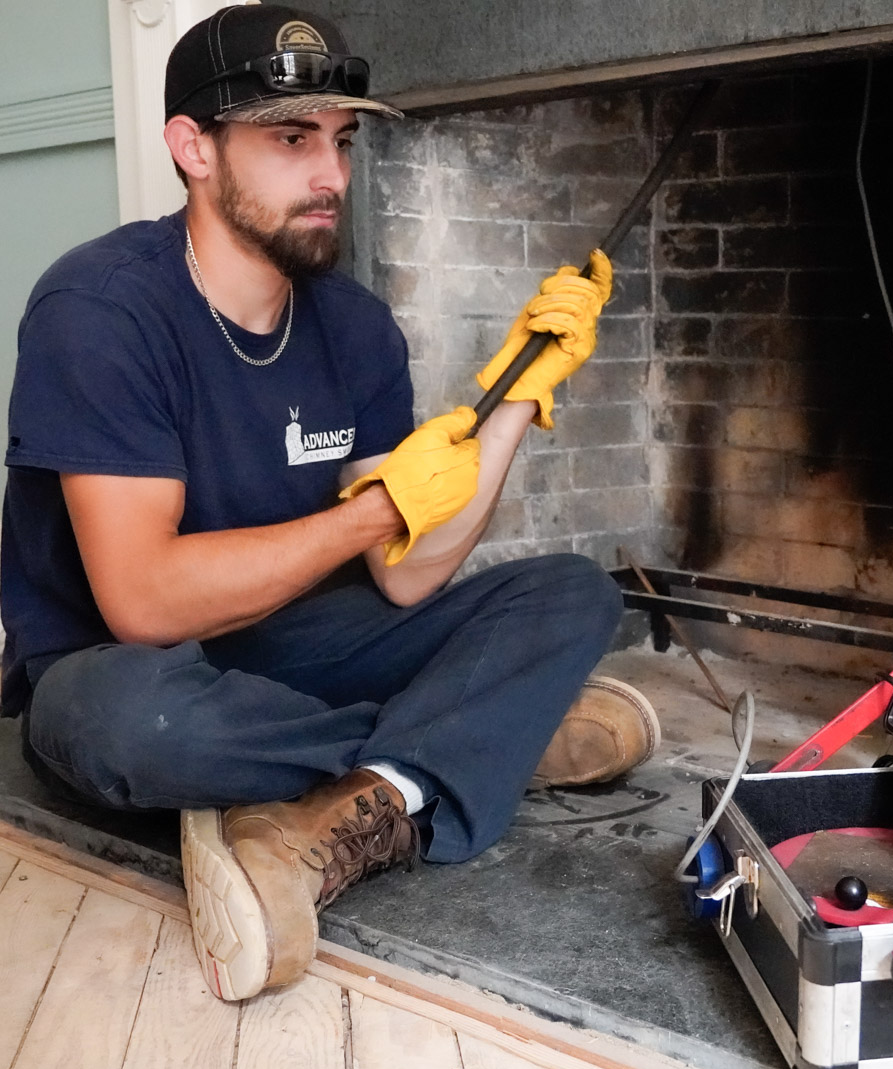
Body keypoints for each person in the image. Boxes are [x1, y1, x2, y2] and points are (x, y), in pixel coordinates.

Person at [1, 4, 659, 1002]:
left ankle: (349, 800)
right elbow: (143, 601)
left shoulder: (352, 326)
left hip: (298, 642)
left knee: (570, 594)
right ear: (193, 148)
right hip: (125, 665)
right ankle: (464, 750)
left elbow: (406, 580)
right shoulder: (100, 312)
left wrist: (517, 404)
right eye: (290, 138)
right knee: (131, 731)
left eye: (341, 142)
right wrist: (369, 515)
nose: (331, 177)